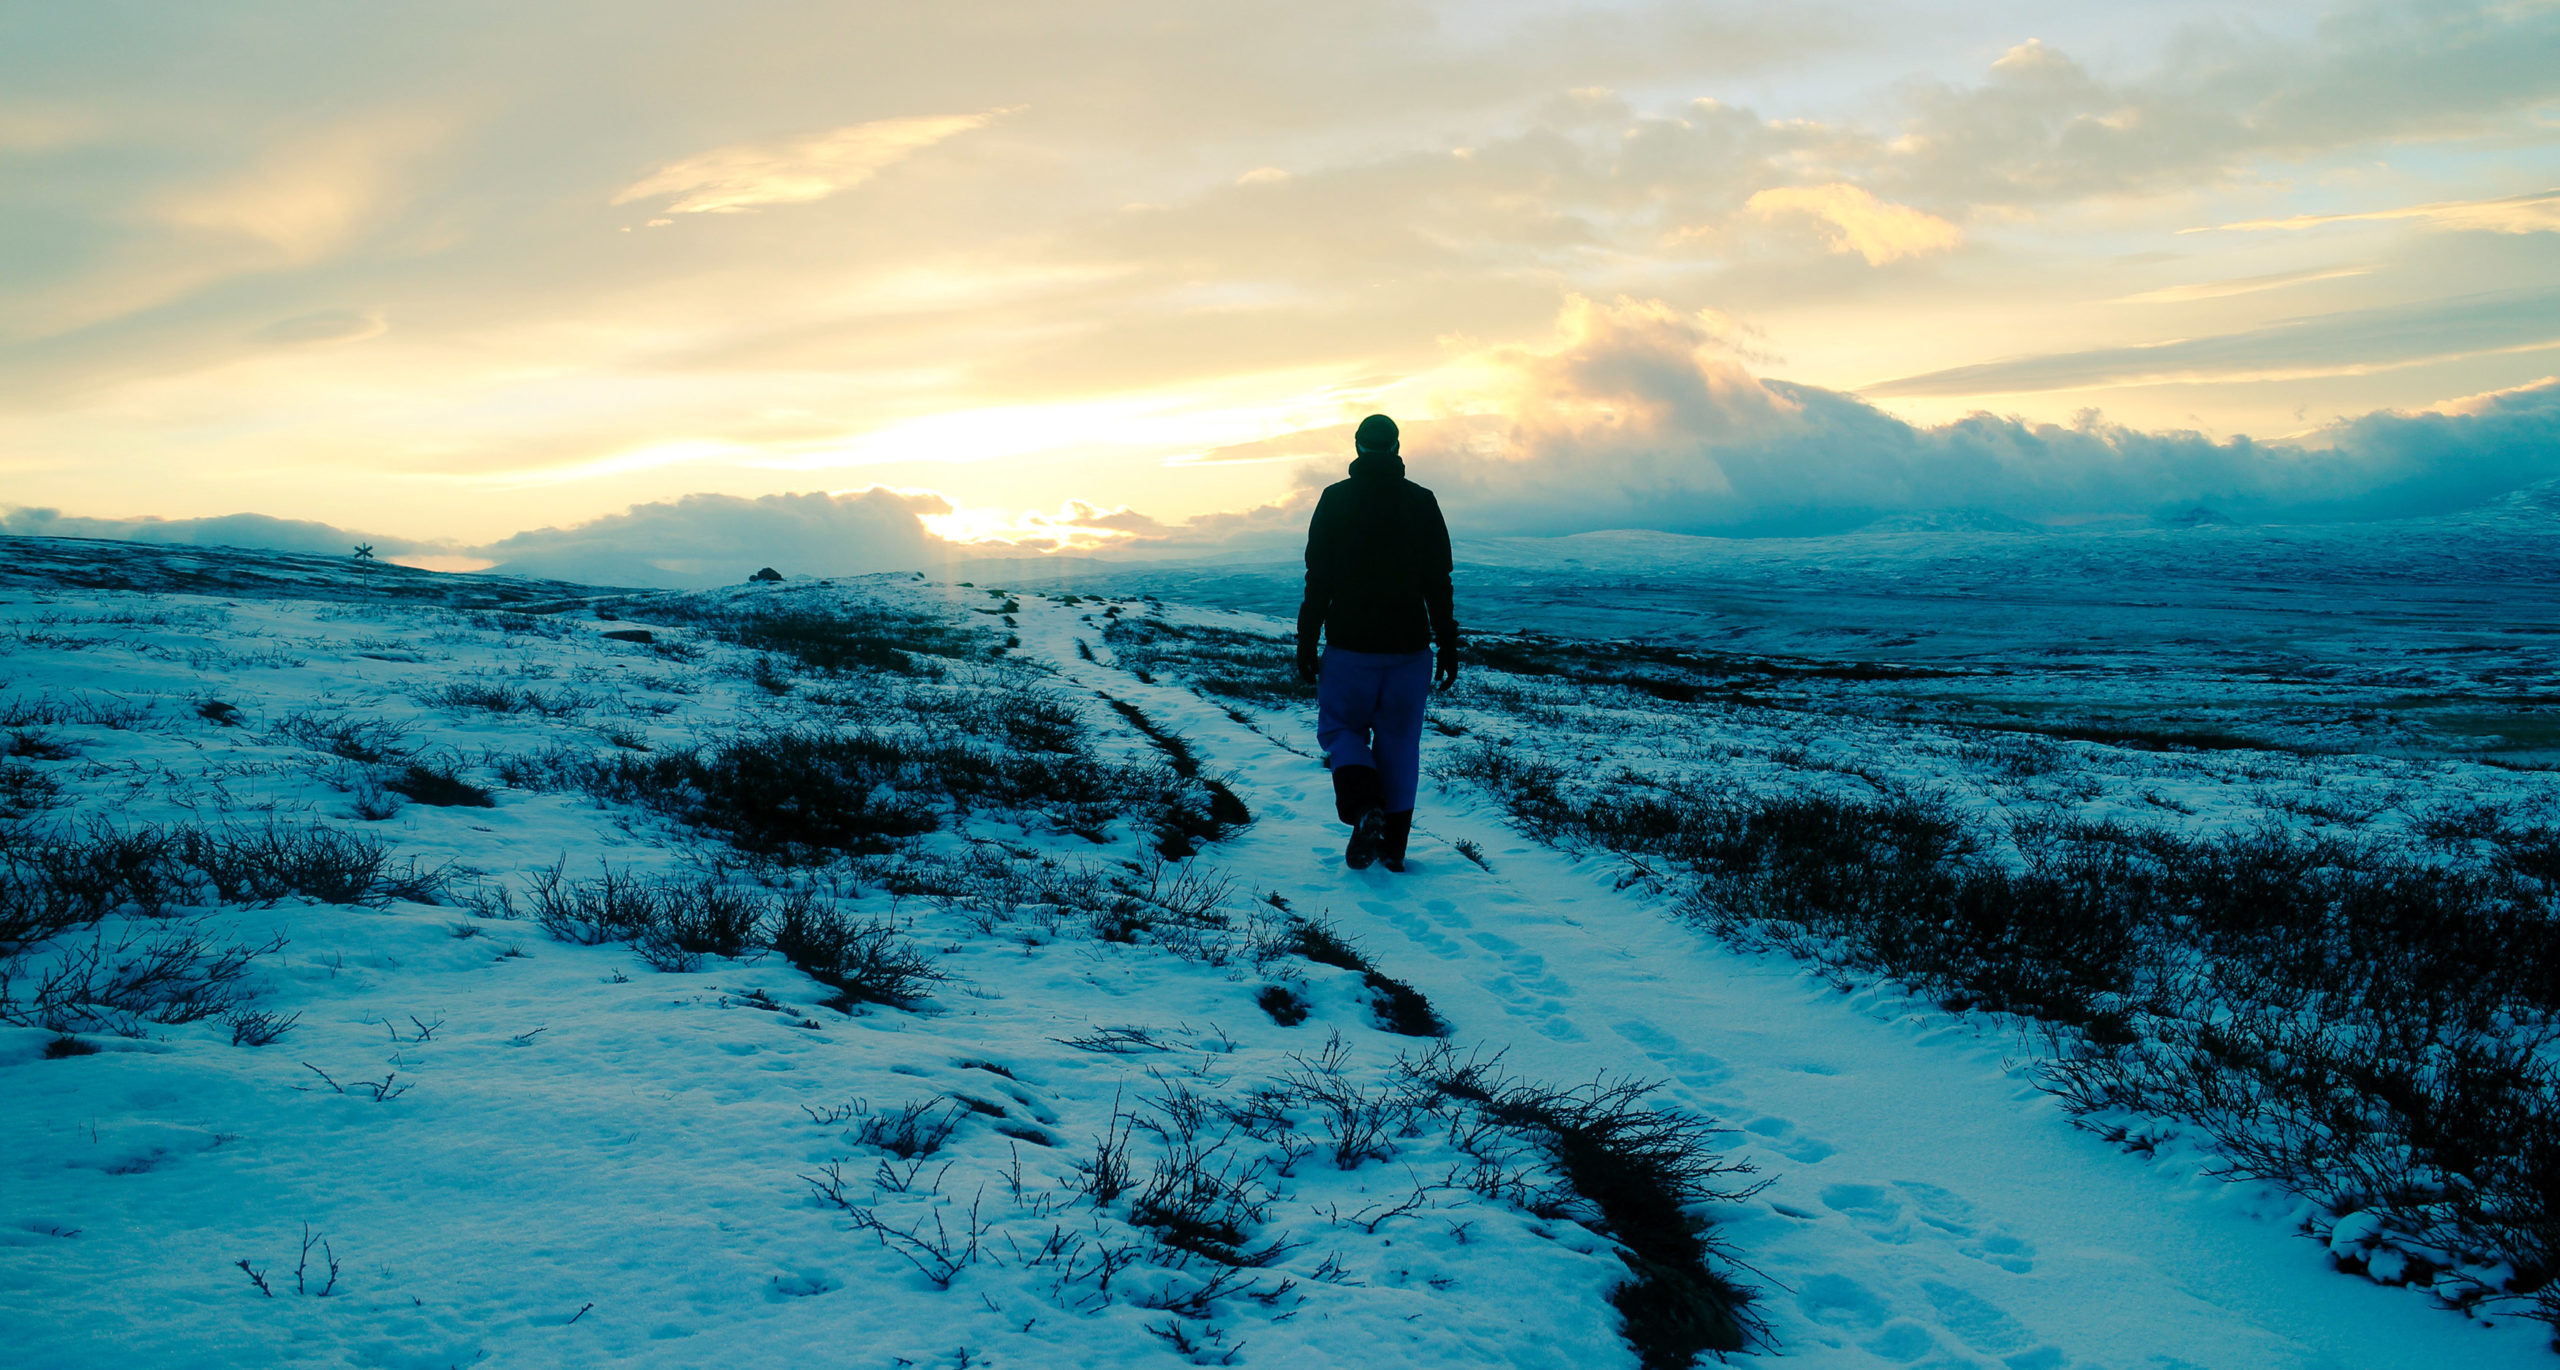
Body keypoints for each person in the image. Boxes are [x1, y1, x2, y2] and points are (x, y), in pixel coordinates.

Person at [1296, 413, 1459, 872]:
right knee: (1401, 743)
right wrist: (1447, 644)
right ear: (1396, 446)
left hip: (1349, 647)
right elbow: (1438, 581)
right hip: (1410, 650)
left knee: (1340, 730)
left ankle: (1365, 805)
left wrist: (1307, 640)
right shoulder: (1422, 501)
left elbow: (1318, 580)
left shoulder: (1334, 500)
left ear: (1358, 446)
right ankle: (1394, 848)